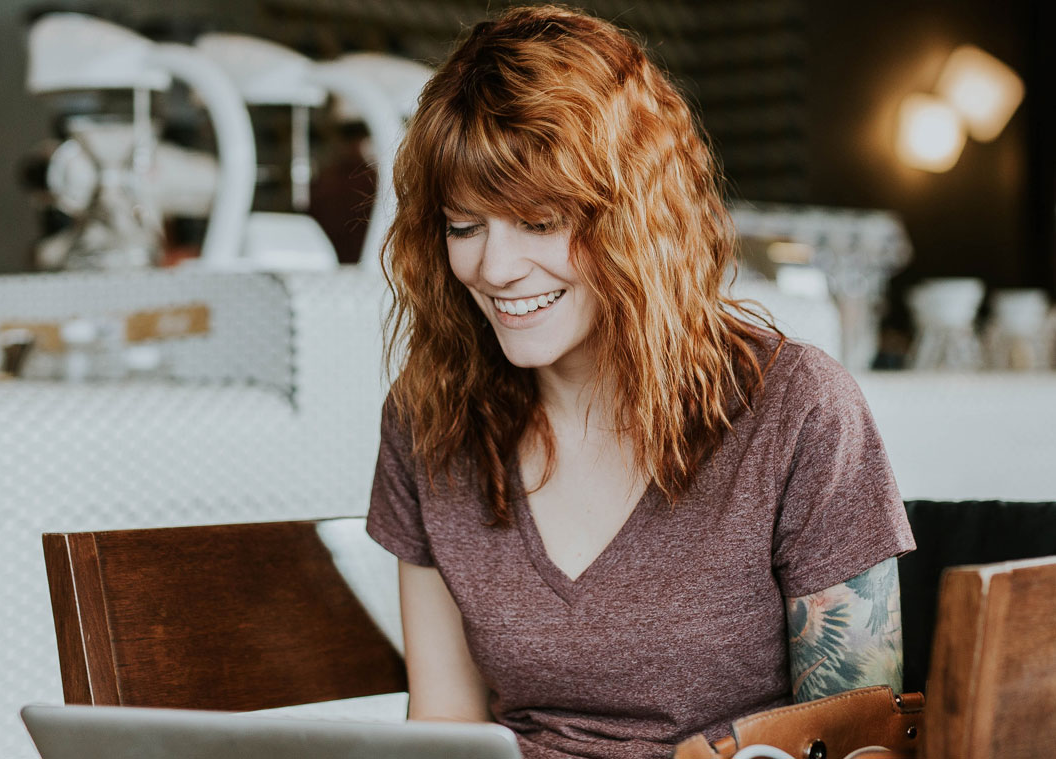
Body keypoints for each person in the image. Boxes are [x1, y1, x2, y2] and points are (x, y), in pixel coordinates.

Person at [366, 7, 915, 759]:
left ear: (634, 215)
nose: (492, 269)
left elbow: (861, 741)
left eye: (538, 221)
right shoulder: (426, 415)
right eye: (464, 227)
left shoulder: (798, 408)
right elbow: (444, 726)